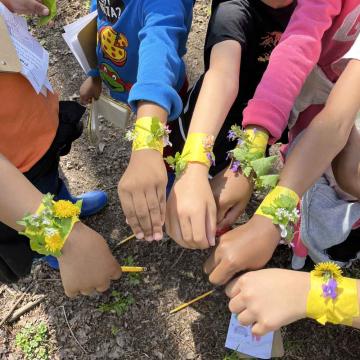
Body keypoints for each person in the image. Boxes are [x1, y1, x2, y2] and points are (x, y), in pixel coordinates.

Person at [203, 0, 360, 286]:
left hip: (342, 105)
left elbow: (337, 122)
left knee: (346, 174)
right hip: (325, 92)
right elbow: (297, 46)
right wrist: (249, 156)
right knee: (311, 162)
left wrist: (273, 217)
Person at [226, 47, 360, 338]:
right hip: (327, 171)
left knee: (334, 239)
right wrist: (270, 213)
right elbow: (334, 122)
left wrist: (318, 295)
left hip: (344, 190)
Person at [0, 0, 121, 296]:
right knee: (34, 193)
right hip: (13, 165)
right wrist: (62, 237)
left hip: (34, 119)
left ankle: (68, 207)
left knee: (52, 180)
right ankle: (52, 251)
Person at [165, 0, 296, 249]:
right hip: (221, 116)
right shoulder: (233, 10)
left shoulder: (317, 9)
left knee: (229, 185)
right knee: (203, 168)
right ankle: (183, 195)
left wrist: (248, 161)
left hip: (273, 116)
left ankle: (213, 218)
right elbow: (222, 76)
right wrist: (193, 167)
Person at [79, 0, 194, 243]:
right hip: (124, 82)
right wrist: (94, 73)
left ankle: (171, 174)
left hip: (162, 97)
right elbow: (97, 20)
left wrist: (146, 142)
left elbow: (159, 44)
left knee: (171, 140)